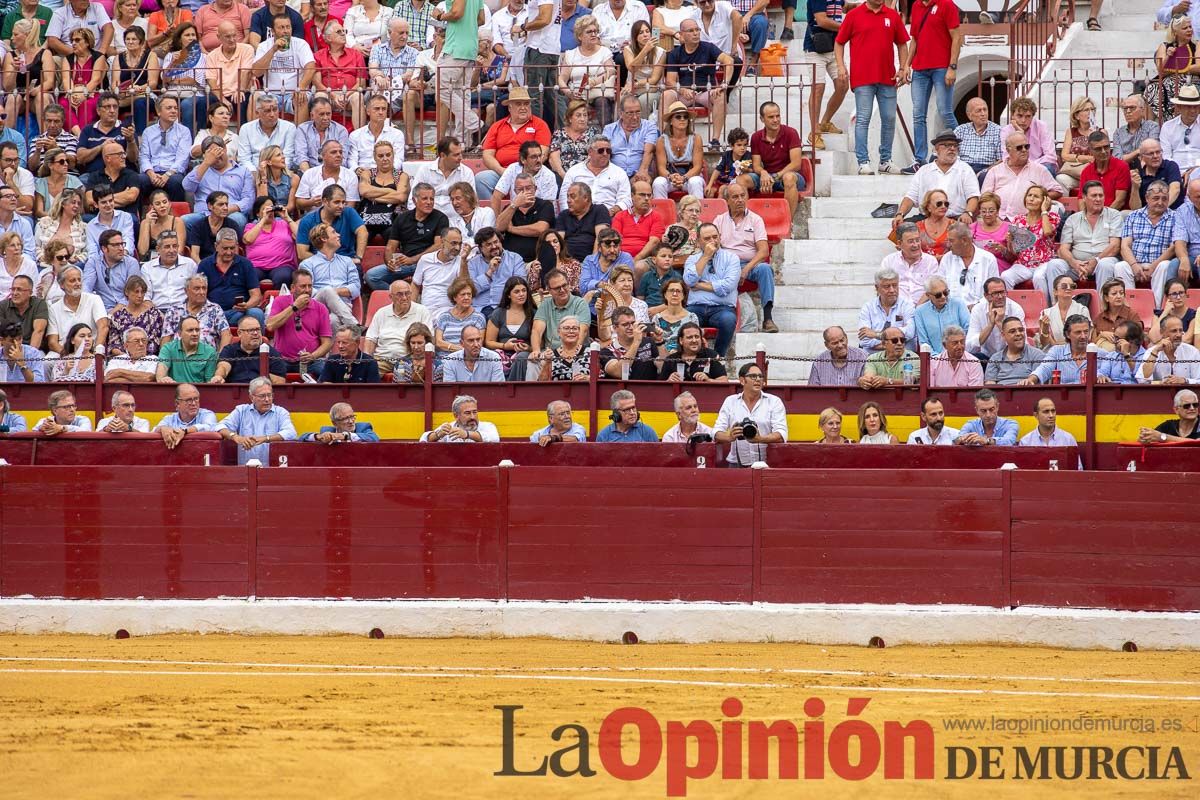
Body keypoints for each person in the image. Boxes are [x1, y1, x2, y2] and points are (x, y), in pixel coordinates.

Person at [835, 0, 909, 176]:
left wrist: (903, 68)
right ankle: (863, 162)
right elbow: (839, 42)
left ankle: (885, 160)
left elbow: (902, 44)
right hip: (862, 77)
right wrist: (840, 66)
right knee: (863, 119)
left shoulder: (892, 15)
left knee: (889, 118)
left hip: (887, 77)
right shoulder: (853, 15)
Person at [1041, 180, 1123, 302]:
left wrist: (1095, 261)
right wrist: (1075, 263)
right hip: (1077, 264)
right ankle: (1057, 307)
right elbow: (1064, 249)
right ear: (1084, 197)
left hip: (1102, 260)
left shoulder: (1114, 215)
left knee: (1105, 264)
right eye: (1094, 196)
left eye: (1101, 195)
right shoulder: (1073, 219)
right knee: (1054, 265)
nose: (1098, 199)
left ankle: (1103, 310)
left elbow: (1115, 246)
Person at [713, 182, 777, 332]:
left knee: (765, 269)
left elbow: (763, 251)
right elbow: (714, 248)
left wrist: (746, 269)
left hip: (750, 264)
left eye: (743, 196)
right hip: (727, 265)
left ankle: (768, 318)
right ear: (727, 200)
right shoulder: (719, 220)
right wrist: (732, 268)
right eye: (735, 197)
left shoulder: (756, 219)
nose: (740, 200)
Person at [904, 0, 960, 172]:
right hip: (920, 68)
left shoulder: (946, 4)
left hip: (941, 67)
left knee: (944, 111)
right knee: (918, 114)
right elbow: (915, 39)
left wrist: (952, 67)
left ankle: (964, 149)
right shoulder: (917, 6)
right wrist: (907, 64)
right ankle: (919, 159)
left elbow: (956, 37)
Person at [661, 19, 733, 151]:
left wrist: (725, 83)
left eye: (697, 30)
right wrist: (682, 90)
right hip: (684, 94)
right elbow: (670, 81)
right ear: (682, 35)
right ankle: (663, 138)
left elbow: (729, 60)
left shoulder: (708, 47)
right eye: (691, 31)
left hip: (706, 92)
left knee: (721, 96)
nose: (695, 33)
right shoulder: (675, 53)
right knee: (666, 94)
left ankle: (715, 140)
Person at [475, 86, 552, 200]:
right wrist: (503, 171)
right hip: (502, 171)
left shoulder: (540, 125)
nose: (523, 108)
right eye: (518, 104)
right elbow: (487, 155)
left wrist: (525, 171)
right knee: (480, 179)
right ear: (510, 108)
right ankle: (495, 213)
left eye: (526, 104)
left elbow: (543, 153)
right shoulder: (497, 126)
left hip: (530, 172)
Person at [1116, 180, 1180, 306]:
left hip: (1158, 263)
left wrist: (1153, 266)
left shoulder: (1176, 217)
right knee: (1120, 266)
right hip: (1135, 262)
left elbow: (1173, 247)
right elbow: (1125, 246)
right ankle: (1129, 309)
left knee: (1166, 266)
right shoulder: (1133, 216)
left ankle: (1156, 309)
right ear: (1147, 198)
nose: (1160, 202)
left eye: (1164, 199)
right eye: (1156, 198)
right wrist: (1134, 265)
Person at [370, 182, 447, 286]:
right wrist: (390, 263)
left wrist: (412, 260)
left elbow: (438, 245)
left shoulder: (440, 218)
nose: (429, 202)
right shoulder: (402, 218)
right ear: (414, 200)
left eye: (431, 199)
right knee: (371, 276)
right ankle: (400, 297)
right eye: (425, 199)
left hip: (429, 264)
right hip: (404, 264)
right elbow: (390, 247)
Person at [894, 131, 979, 223]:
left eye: (955, 145)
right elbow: (910, 197)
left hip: (955, 219)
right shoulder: (923, 171)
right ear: (936, 149)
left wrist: (967, 213)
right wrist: (900, 214)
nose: (952, 148)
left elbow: (973, 196)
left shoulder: (965, 169)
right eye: (947, 145)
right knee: (902, 228)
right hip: (926, 218)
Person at [981, 132, 1066, 222]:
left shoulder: (1039, 170)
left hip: (1028, 221)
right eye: (1019, 147)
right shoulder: (995, 171)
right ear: (1008, 150)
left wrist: (1038, 197)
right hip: (998, 220)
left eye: (1027, 146)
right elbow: (985, 198)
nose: (1024, 150)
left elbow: (1057, 191)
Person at [683, 222, 740, 356]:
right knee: (685, 320)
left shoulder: (732, 258)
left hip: (722, 308)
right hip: (696, 307)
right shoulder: (692, 259)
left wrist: (699, 285)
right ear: (698, 241)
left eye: (715, 237)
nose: (712, 241)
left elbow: (727, 286)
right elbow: (689, 280)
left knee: (728, 321)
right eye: (707, 239)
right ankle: (689, 357)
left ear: (720, 237)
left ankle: (717, 358)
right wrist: (706, 257)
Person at [183, 138, 256, 238]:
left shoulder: (243, 172)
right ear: (204, 155)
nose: (215, 156)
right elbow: (187, 187)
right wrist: (206, 163)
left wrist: (229, 208)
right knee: (183, 221)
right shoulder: (200, 170)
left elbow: (249, 199)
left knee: (237, 219)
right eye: (211, 153)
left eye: (218, 151)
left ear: (225, 149)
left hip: (230, 213)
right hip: (204, 214)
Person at [265, 268, 333, 375]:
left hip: (311, 361)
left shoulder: (321, 308)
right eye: (303, 286)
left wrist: (313, 356)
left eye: (310, 286)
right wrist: (294, 307)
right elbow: (270, 326)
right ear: (292, 288)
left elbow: (327, 342)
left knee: (328, 374)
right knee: (266, 374)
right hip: (283, 360)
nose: (307, 290)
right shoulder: (280, 301)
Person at [218, 376, 298, 464]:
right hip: (245, 470)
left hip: (272, 470)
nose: (267, 399)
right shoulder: (241, 411)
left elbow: (291, 433)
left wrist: (266, 438)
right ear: (251, 397)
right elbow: (220, 426)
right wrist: (236, 437)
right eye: (262, 396)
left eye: (269, 395)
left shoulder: (281, 412)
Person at [297, 222, 363, 330]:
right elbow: (307, 290)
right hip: (317, 307)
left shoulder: (347, 261)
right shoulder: (307, 264)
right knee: (327, 290)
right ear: (323, 238)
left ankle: (337, 346)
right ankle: (355, 326)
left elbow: (356, 288)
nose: (338, 235)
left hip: (343, 307)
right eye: (334, 232)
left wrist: (333, 293)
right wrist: (327, 293)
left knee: (333, 320)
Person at [363, 279, 434, 373]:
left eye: (407, 293)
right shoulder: (381, 313)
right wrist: (366, 360)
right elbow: (371, 339)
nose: (404, 298)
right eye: (400, 294)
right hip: (382, 359)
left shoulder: (422, 311)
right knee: (363, 373)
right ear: (391, 296)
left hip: (410, 360)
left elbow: (429, 339)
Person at [1000, 185, 1059, 294]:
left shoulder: (1052, 217)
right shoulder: (1018, 219)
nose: (1031, 199)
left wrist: (1044, 211)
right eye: (1029, 195)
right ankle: (1011, 308)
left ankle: (1045, 309)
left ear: (1045, 201)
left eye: (1036, 196)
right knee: (1005, 276)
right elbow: (1015, 252)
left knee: (1038, 277)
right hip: (1023, 264)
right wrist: (1010, 241)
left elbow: (1047, 232)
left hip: (1044, 263)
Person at [558, 136, 633, 217]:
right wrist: (569, 215)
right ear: (590, 152)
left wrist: (612, 211)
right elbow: (563, 196)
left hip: (608, 216)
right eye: (601, 151)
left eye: (608, 151)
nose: (605, 154)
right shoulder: (574, 171)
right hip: (577, 215)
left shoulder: (619, 173)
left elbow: (626, 199)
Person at [296, 184, 368, 265]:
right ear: (325, 201)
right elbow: (302, 253)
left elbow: (363, 232)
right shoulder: (307, 220)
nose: (341, 206)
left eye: (343, 202)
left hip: (348, 262)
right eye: (337, 202)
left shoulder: (349, 212)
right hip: (318, 264)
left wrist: (358, 257)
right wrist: (332, 262)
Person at [1030, 315, 1110, 385]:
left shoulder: (1102, 354)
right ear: (1067, 334)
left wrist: (1102, 377)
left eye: (1086, 332)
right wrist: (1031, 379)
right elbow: (1044, 368)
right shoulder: (1056, 351)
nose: (1083, 336)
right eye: (1078, 332)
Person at [46, 265, 109, 354]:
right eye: (72, 281)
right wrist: (68, 356)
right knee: (47, 363)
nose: (78, 283)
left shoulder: (94, 299)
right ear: (61, 285)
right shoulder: (54, 308)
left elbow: (103, 327)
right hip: (64, 351)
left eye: (79, 280)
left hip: (90, 350)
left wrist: (96, 352)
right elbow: (52, 342)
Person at [162, 273, 232, 352]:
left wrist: (221, 359)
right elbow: (166, 338)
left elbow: (226, 335)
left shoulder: (215, 309)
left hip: (207, 360)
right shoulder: (173, 311)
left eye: (204, 288)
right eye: (197, 288)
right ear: (186, 291)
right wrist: (165, 361)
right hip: (179, 360)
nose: (202, 292)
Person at [652, 103, 705, 200]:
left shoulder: (696, 138)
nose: (682, 119)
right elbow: (661, 168)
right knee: (658, 183)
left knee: (695, 182)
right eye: (678, 117)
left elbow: (697, 166)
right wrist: (671, 177)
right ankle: (662, 214)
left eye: (685, 117)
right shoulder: (662, 140)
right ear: (671, 121)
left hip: (690, 177)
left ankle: (698, 214)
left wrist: (684, 178)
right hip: (671, 178)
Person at [242, 197, 298, 289]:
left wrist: (287, 218)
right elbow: (248, 240)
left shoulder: (284, 224)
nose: (270, 211)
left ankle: (278, 302)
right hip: (256, 265)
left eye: (271, 208)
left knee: (283, 277)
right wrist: (263, 220)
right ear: (257, 213)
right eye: (265, 209)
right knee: (250, 276)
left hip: (282, 265)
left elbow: (300, 236)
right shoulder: (250, 226)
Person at [214, 316, 288, 384]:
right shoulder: (229, 350)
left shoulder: (272, 353)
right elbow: (223, 367)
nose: (256, 333)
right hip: (234, 393)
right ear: (239, 333)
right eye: (251, 330)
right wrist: (219, 376)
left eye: (258, 329)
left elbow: (279, 382)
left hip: (261, 393)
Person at [857, 266, 915, 352]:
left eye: (895, 285)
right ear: (877, 288)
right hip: (874, 359)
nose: (892, 290)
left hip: (901, 359)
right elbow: (864, 340)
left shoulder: (907, 306)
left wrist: (877, 334)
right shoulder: (868, 308)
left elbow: (910, 333)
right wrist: (897, 342)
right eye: (887, 286)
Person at [886, 222, 942, 308]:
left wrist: (917, 309)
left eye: (917, 240)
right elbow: (884, 289)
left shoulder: (930, 261)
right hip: (896, 308)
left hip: (923, 309)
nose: (915, 245)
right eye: (910, 241)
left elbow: (933, 289)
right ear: (900, 243)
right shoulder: (889, 261)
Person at [599, 304, 662, 379]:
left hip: (649, 389)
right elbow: (619, 373)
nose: (631, 327)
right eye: (625, 324)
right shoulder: (607, 351)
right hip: (622, 390)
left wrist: (660, 342)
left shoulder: (649, 342)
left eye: (633, 323)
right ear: (615, 328)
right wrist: (636, 342)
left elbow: (663, 369)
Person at [106, 275, 164, 356]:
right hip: (123, 358)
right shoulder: (117, 316)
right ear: (127, 292)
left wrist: (139, 356)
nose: (140, 295)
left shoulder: (153, 314)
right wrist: (126, 357)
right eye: (136, 292)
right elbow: (113, 344)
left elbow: (154, 343)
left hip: (148, 358)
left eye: (143, 292)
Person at [238, 94, 297, 172]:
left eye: (275, 109)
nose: (272, 114)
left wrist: (275, 173)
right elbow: (244, 159)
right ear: (257, 113)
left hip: (281, 173)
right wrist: (256, 174)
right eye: (267, 111)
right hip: (254, 173)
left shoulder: (289, 127)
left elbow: (288, 157)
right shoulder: (246, 129)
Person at [967, 278, 1024, 359]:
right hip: (986, 356)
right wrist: (990, 324)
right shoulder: (978, 310)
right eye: (995, 293)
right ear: (986, 296)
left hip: (1010, 357)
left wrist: (1000, 323)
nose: (1000, 297)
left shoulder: (1015, 309)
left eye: (1002, 292)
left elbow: (1020, 345)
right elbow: (969, 348)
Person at [604, 95, 657, 181]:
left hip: (639, 173)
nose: (635, 117)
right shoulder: (609, 129)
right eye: (630, 113)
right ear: (621, 113)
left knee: (641, 185)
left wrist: (642, 171)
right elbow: (604, 153)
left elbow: (649, 151)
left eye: (638, 112)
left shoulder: (649, 127)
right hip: (614, 175)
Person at [556, 181, 611, 262]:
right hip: (567, 261)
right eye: (567, 197)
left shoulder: (599, 210)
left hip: (591, 260)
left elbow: (601, 237)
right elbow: (557, 241)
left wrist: (592, 262)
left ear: (586, 198)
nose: (568, 200)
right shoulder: (563, 215)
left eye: (572, 196)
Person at [154, 384, 220, 450]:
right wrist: (163, 429)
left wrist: (185, 431)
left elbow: (210, 427)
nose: (194, 403)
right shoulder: (169, 419)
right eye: (189, 400)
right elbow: (154, 431)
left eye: (196, 399)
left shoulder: (207, 414)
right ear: (177, 404)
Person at [1138, 313, 1200, 384]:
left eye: (1180, 330)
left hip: (1186, 392)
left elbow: (1199, 380)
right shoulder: (1152, 351)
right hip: (1160, 393)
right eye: (1174, 331)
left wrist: (1185, 380)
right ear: (1162, 332)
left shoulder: (1192, 351)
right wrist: (1155, 351)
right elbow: (1142, 379)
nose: (1179, 335)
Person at [916, 275, 970, 354]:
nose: (943, 297)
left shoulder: (958, 304)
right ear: (928, 295)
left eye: (945, 292)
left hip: (961, 356)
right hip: (934, 360)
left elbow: (968, 331)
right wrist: (939, 360)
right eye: (938, 295)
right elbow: (924, 343)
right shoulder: (920, 312)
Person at [1078, 131, 1132, 211]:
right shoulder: (1086, 171)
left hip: (1116, 214)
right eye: (1098, 149)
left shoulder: (1122, 166)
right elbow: (1082, 199)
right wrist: (1084, 217)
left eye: (1106, 147)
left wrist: (1103, 218)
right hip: (1093, 215)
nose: (1103, 151)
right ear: (1090, 151)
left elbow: (1120, 201)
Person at [156, 314, 218, 383]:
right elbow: (162, 368)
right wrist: (163, 378)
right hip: (175, 392)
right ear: (180, 333)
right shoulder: (168, 348)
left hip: (198, 393)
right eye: (190, 330)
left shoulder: (209, 352)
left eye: (197, 330)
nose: (195, 334)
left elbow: (209, 382)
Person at [985, 316, 1045, 386]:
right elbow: (990, 385)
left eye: (1021, 330)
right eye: (1012, 331)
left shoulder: (1037, 355)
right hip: (1000, 396)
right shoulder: (995, 358)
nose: (1018, 334)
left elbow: (1039, 383)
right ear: (1003, 335)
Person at [954, 98, 1003, 180]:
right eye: (979, 111)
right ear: (969, 115)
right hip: (963, 169)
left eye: (985, 110)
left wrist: (985, 171)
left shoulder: (998, 131)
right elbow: (952, 153)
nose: (983, 114)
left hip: (987, 170)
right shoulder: (960, 130)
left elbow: (1001, 160)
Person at [659, 321, 725, 381]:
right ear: (681, 340)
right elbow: (660, 388)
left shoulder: (712, 355)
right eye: (689, 337)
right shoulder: (671, 360)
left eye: (697, 337)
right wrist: (669, 381)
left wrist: (708, 380)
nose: (694, 340)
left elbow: (724, 382)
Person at [532, 315, 590, 382]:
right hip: (557, 392)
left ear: (579, 331)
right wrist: (548, 362)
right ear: (559, 332)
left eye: (574, 328)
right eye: (566, 328)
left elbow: (600, 377)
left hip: (584, 391)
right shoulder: (551, 355)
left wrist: (588, 378)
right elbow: (542, 383)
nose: (571, 331)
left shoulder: (590, 352)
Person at [420, 393, 500, 442]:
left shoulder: (487, 426)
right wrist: (437, 435)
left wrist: (467, 434)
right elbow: (423, 440)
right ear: (456, 415)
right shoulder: (449, 427)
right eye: (467, 413)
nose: (472, 416)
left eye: (475, 412)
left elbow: (494, 438)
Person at [1130, 138, 1183, 211]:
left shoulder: (1171, 166)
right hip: (1148, 217)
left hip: (1172, 212)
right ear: (1141, 157)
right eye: (1150, 153)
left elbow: (1175, 189)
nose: (1155, 156)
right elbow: (1135, 209)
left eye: (1158, 152)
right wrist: (1135, 188)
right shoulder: (1139, 175)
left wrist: (1160, 210)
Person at [1161, 85, 1200, 178]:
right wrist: (1177, 173)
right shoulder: (1168, 127)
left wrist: (1195, 170)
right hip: (1175, 172)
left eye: (1196, 107)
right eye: (1188, 107)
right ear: (1179, 107)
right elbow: (1166, 156)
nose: (1193, 111)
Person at [0, 276, 48, 350]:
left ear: (30, 293)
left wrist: (30, 356)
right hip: (8, 349)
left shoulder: (39, 304)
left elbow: (38, 331)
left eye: (19, 289)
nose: (15, 293)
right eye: (13, 289)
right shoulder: (2, 306)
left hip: (32, 349)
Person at [1092, 278, 1140, 350]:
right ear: (1106, 298)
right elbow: (1092, 344)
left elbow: (1137, 340)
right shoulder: (1099, 318)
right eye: (1114, 294)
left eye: (1121, 293)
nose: (1119, 296)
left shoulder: (1132, 315)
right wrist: (1102, 335)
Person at [301, 402, 381, 443]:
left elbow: (374, 438)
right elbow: (301, 438)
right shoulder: (327, 430)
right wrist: (318, 437)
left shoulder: (363, 427)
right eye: (345, 418)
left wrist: (344, 436)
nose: (351, 421)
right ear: (335, 423)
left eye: (352, 416)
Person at [1114, 96, 1161, 166]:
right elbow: (1117, 160)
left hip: (1146, 168)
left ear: (1142, 110)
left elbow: (1151, 151)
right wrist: (1138, 152)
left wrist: (1127, 157)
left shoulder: (1152, 127)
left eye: (1132, 108)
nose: (1128, 111)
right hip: (1124, 170)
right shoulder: (1118, 133)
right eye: (1125, 109)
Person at [1151, 278, 1196, 344]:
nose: (1178, 297)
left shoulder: (1193, 315)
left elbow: (1187, 340)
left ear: (1186, 295)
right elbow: (1153, 338)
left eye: (1181, 293)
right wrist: (1165, 312)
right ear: (1167, 297)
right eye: (1174, 294)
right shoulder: (1159, 314)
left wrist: (1161, 341)